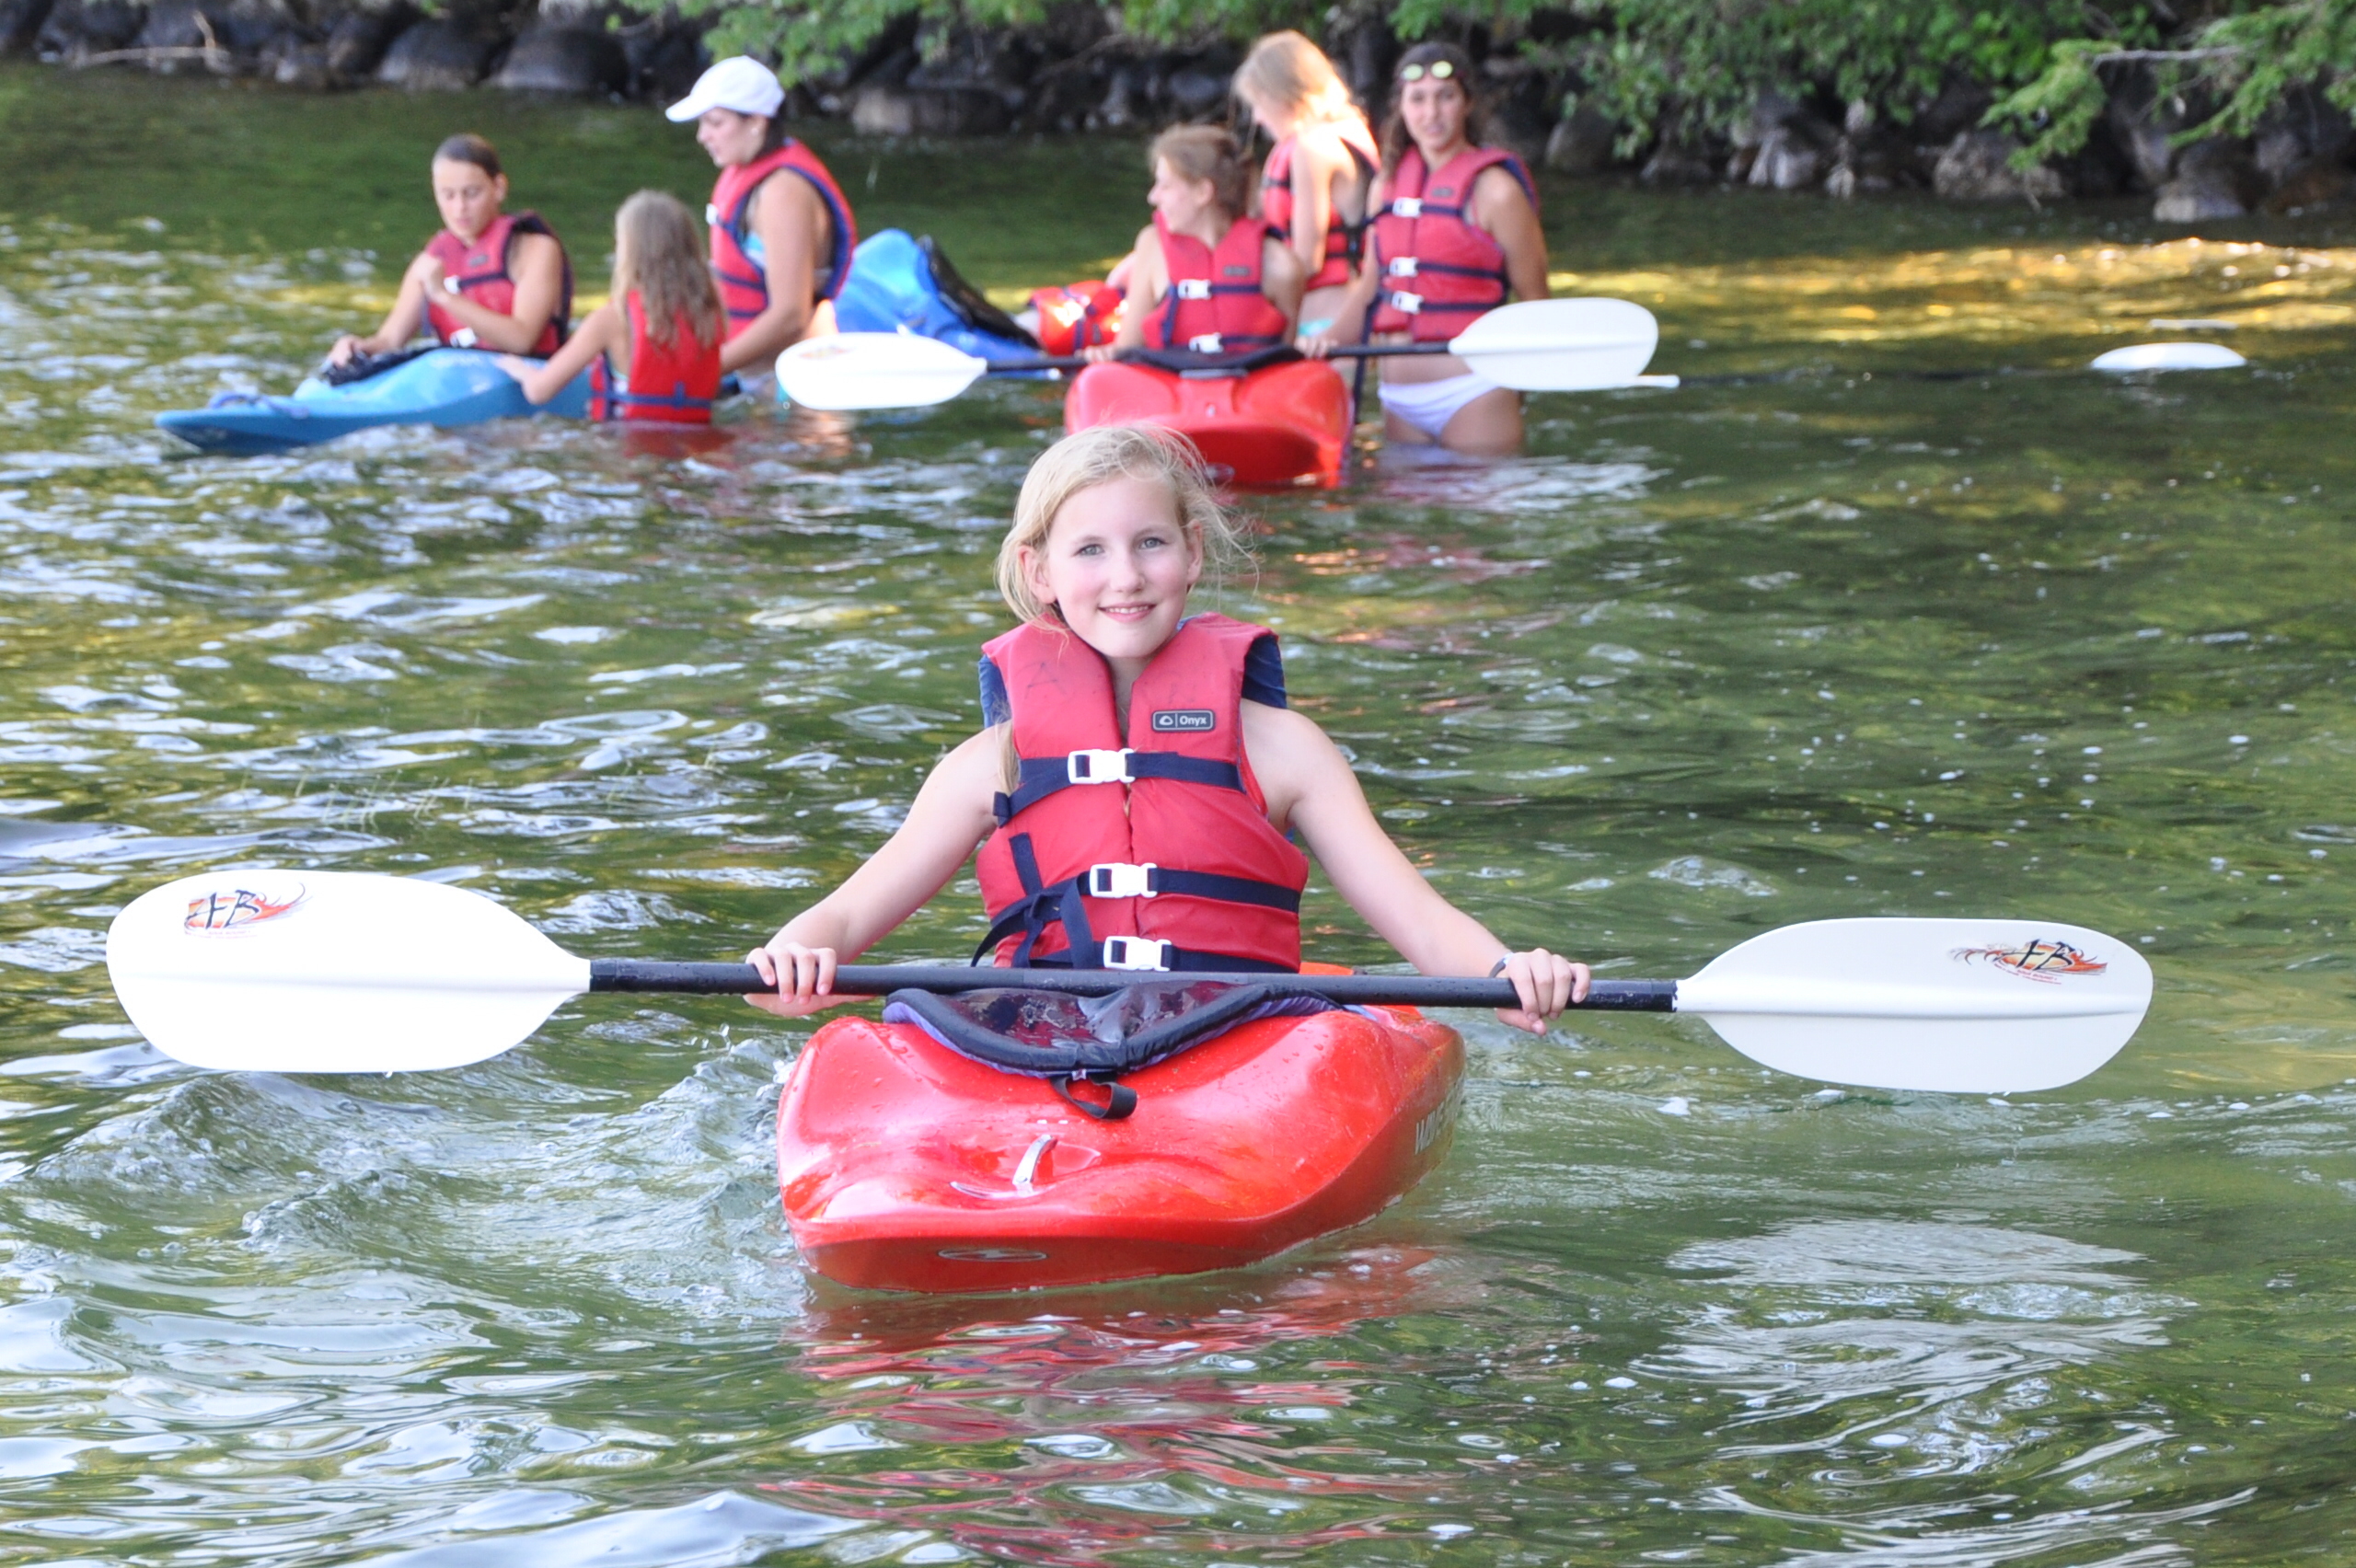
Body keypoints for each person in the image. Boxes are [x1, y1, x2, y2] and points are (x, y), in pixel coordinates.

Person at [744, 424, 1588, 1035]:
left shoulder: (1282, 747)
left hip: (1240, 1031)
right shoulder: (988, 766)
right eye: (1090, 552)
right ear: (1038, 572)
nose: (1125, 578)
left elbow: (1420, 921)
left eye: (1149, 543)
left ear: (1190, 551)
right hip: (1045, 1038)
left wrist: (1507, 972)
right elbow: (849, 916)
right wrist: (796, 954)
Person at [1305, 42, 1548, 455]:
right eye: (1418, 99)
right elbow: (1370, 288)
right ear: (1401, 106)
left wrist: (1521, 383)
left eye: (1445, 97)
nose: (1431, 114)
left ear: (1467, 103)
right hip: (1400, 401)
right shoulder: (1386, 186)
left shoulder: (1497, 193)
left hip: (1475, 393)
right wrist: (1325, 341)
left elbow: (1535, 301)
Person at [665, 56, 857, 384]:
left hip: (794, 386)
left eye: (715, 123)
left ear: (756, 121)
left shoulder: (784, 192)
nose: (702, 136)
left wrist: (703, 372)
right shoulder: (743, 172)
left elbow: (790, 316)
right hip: (754, 378)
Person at [329, 133, 572, 366]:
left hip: (533, 376)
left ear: (498, 188)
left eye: (471, 193)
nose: (459, 208)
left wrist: (443, 296)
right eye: (448, 195)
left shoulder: (535, 250)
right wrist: (358, 347)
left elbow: (522, 340)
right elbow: (390, 341)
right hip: (460, 379)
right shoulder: (429, 264)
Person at [496, 190, 725, 425]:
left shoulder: (613, 319)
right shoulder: (709, 313)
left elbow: (539, 391)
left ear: (629, 252)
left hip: (628, 448)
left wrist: (520, 370)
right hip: (698, 440)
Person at [1082, 125, 1305, 363]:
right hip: (1167, 390)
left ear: (1202, 192)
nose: (1153, 197)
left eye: (1164, 186)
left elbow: (1287, 364)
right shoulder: (1152, 246)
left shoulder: (1283, 267)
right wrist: (1106, 357)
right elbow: (1127, 351)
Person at [1233, 29, 1380, 344]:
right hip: (1343, 316)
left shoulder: (1311, 148)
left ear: (1286, 96)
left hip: (1324, 324)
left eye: (1259, 103)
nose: (1257, 118)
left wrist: (1234, 279)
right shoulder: (1348, 127)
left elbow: (1307, 260)